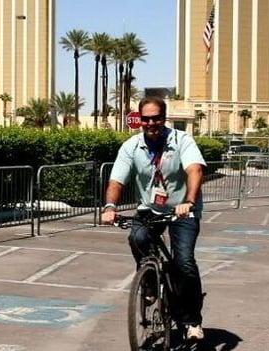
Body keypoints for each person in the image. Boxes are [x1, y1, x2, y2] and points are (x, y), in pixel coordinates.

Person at [101, 96, 206, 341]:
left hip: (182, 210)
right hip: (150, 208)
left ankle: (192, 321)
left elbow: (195, 170)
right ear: (140, 120)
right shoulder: (131, 146)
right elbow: (116, 180)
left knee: (185, 263)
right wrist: (109, 206)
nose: (151, 123)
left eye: (156, 118)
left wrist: (189, 201)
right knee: (136, 237)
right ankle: (149, 280)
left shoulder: (182, 141)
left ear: (164, 117)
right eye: (146, 119)